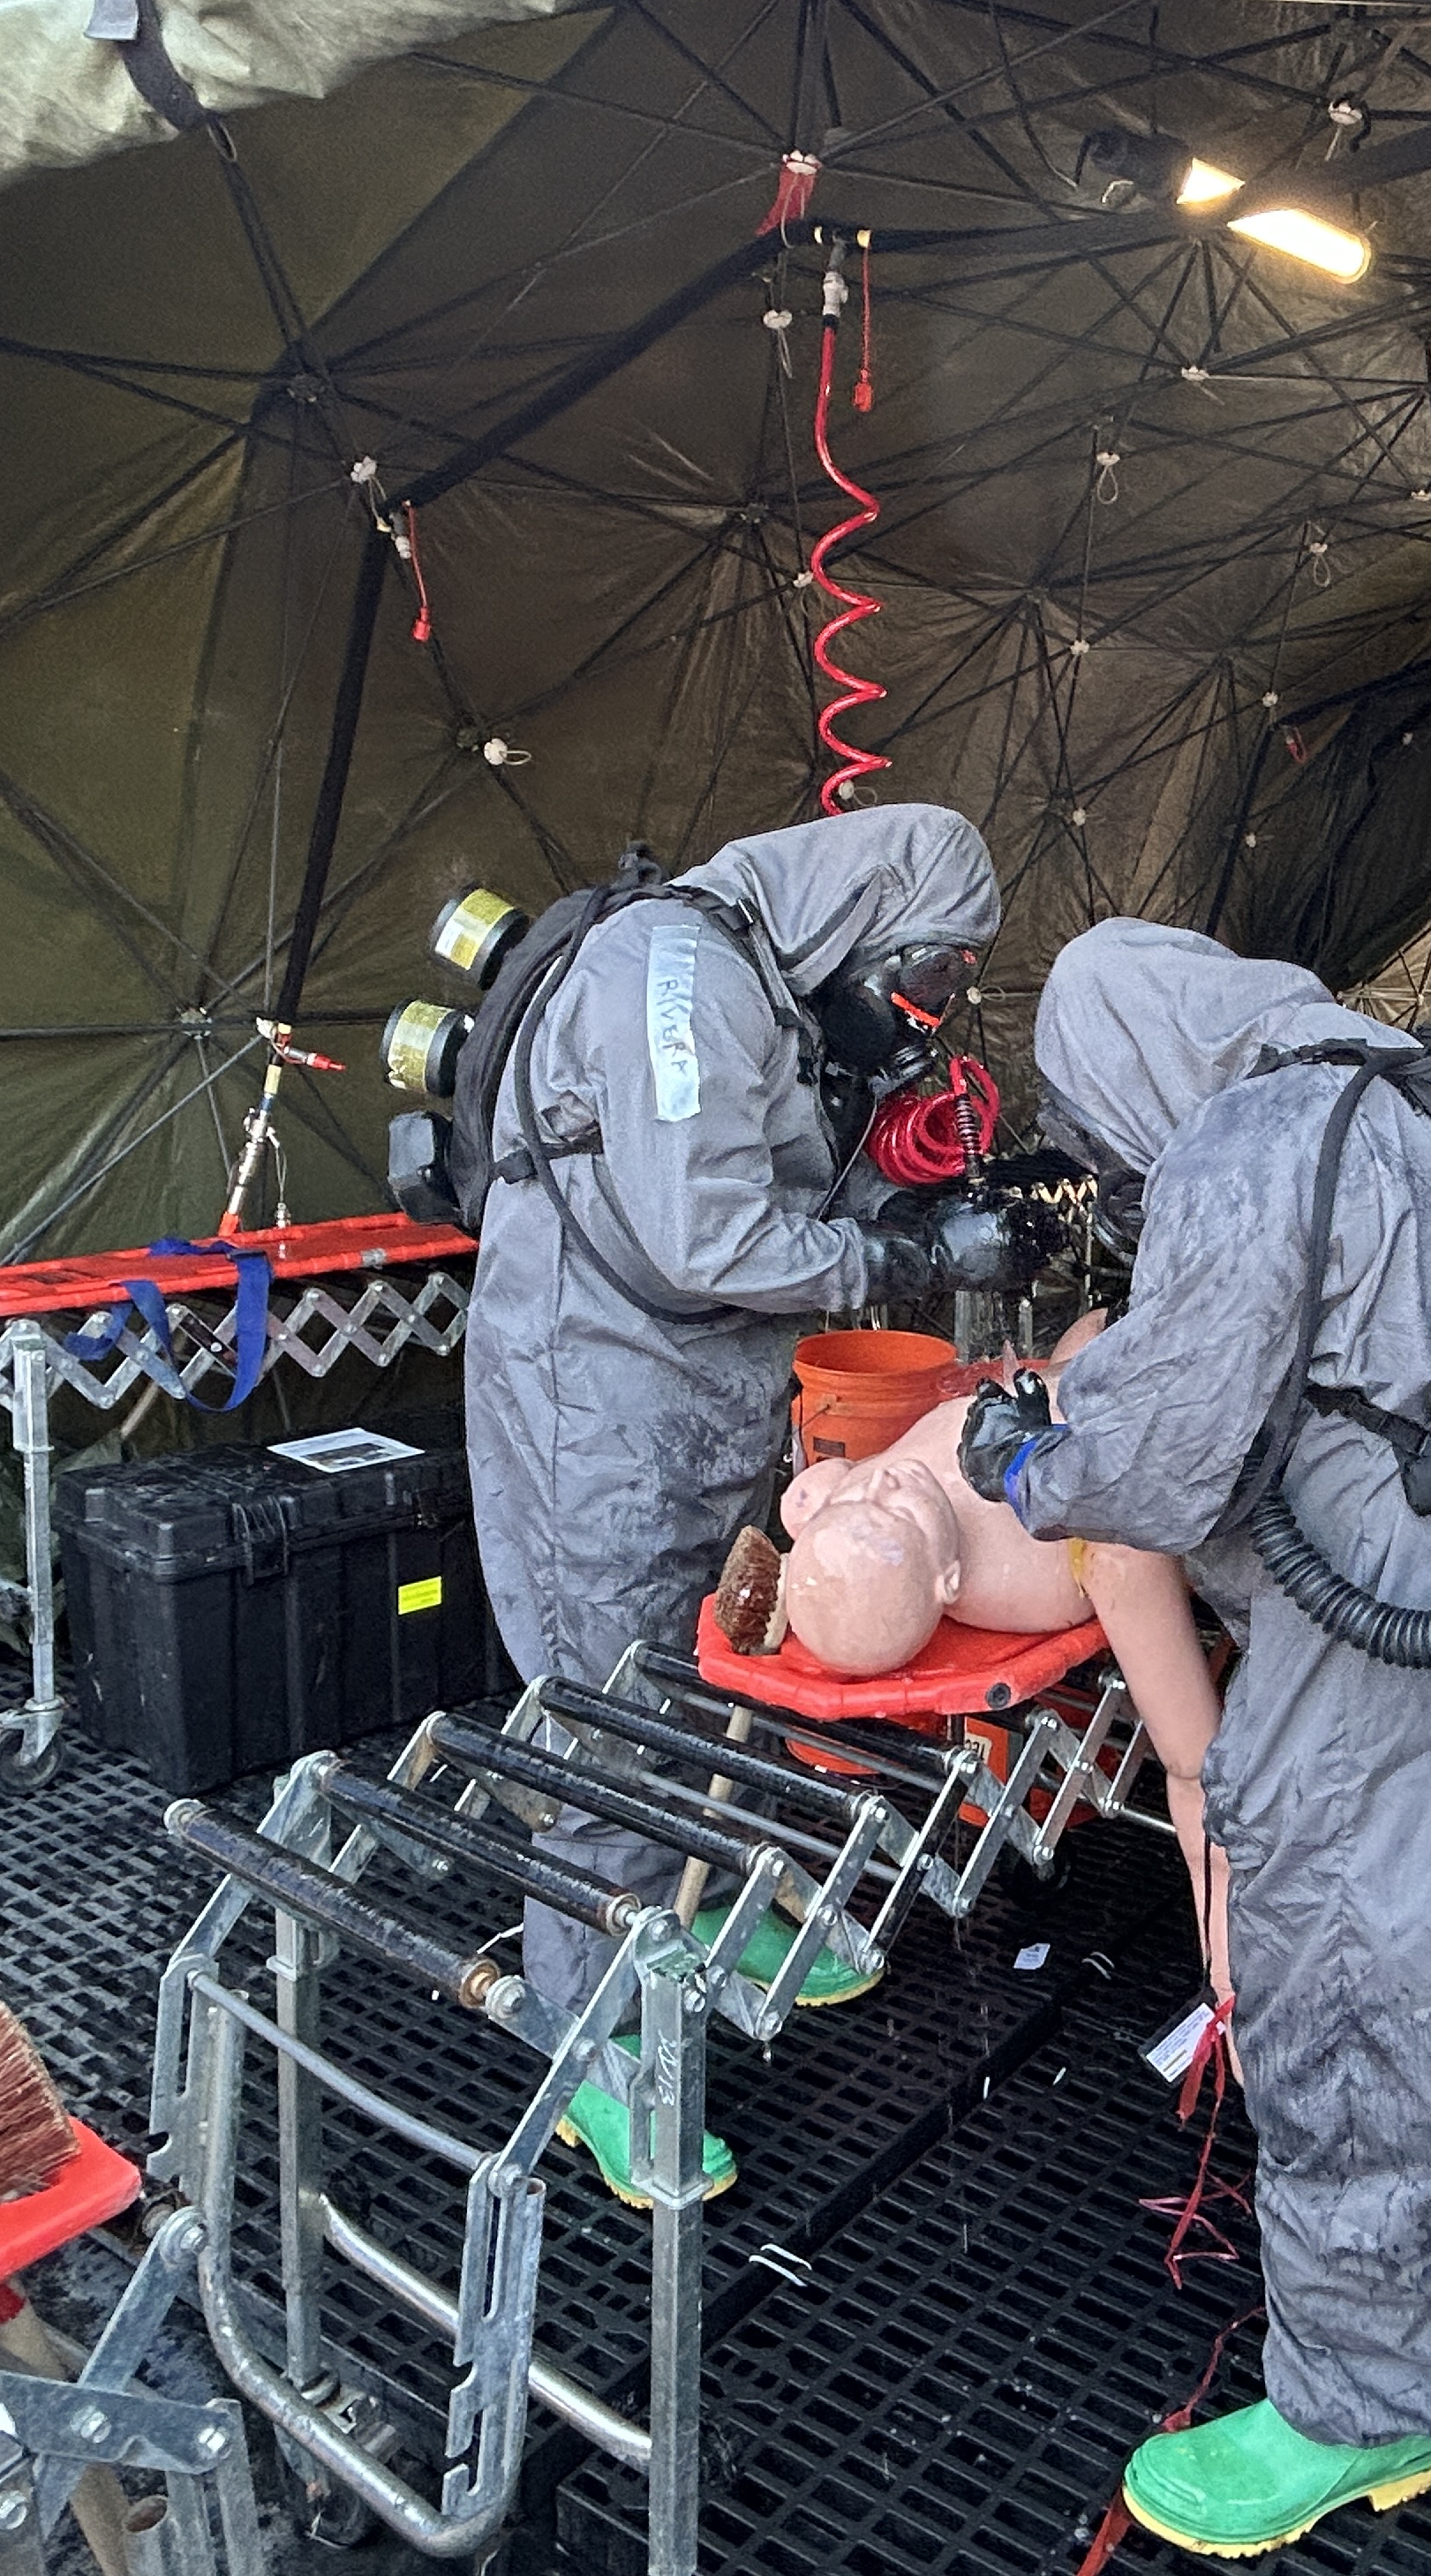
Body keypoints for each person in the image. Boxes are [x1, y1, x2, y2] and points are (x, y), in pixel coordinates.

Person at [960, 920, 1431, 2559]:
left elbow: (1167, 1457)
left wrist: (1022, 1460)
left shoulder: (1258, 1135)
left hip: (1412, 1611)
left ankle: (1367, 2396)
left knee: (1351, 1967)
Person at [466, 803, 1023, 2203]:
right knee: (608, 1705)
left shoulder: (759, 983)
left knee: (722, 1655)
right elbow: (703, 1232)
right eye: (927, 973)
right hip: (597, 1399)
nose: (919, 1012)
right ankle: (596, 2042)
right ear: (865, 912)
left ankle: (709, 1910)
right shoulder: (675, 969)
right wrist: (893, 1263)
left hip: (701, 1388)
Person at [726, 1353, 1231, 1998]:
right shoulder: (1077, 1553)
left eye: (857, 1494)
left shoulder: (839, 1496)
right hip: (1170, 1395)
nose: (883, 1486)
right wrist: (1229, 1977)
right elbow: (1194, 1768)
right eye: (898, 1515)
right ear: (949, 1584)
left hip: (1072, 1368)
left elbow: (819, 1510)